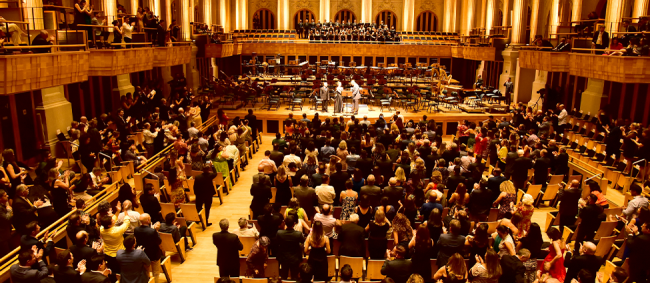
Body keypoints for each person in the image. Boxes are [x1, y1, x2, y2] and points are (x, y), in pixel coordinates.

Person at [133, 214, 162, 283]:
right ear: (148, 220)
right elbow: (159, 241)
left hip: (143, 254)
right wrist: (156, 231)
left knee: (146, 272)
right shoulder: (152, 231)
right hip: (154, 254)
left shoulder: (136, 229)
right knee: (156, 272)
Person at [275, 215, 304, 280]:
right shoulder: (298, 234)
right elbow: (303, 242)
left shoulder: (279, 233)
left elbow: (277, 243)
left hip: (283, 258)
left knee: (283, 277)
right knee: (294, 277)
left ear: (284, 223)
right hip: (295, 259)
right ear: (294, 224)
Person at [0, 189, 12, 256]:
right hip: (2, 237)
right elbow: (6, 219)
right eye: (5, 195)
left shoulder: (2, 205)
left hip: (5, 234)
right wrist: (9, 211)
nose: (7, 196)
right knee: (6, 255)